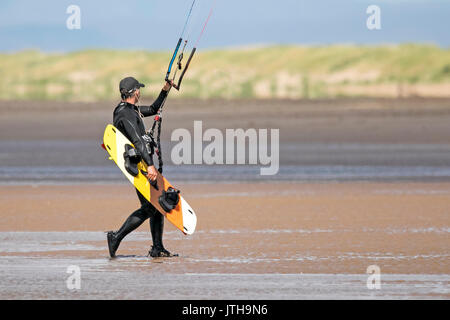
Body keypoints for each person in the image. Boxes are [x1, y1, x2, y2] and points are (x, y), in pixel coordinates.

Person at [107, 76, 176, 258]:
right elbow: (137, 141)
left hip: (142, 163)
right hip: (138, 166)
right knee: (150, 207)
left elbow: (153, 109)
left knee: (156, 203)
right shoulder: (126, 114)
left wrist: (165, 89)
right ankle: (116, 237)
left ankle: (157, 247)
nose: (140, 93)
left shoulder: (129, 110)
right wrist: (151, 166)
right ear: (135, 92)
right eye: (139, 90)